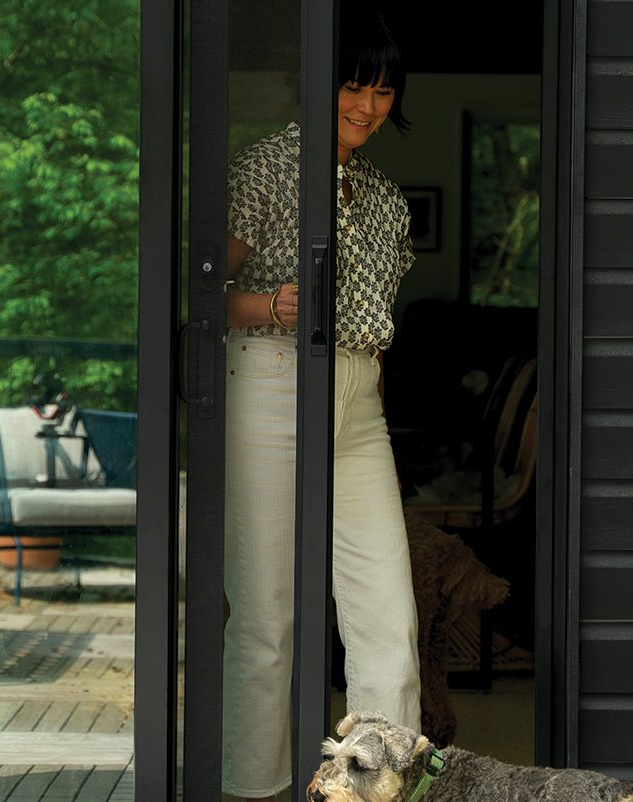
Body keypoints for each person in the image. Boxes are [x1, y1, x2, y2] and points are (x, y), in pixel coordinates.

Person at [221, 9, 421, 801]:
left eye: (381, 90)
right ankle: (249, 788)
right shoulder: (268, 168)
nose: (368, 105)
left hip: (358, 396)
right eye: (352, 84)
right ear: (317, 83)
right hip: (270, 377)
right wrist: (275, 303)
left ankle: (383, 788)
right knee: (267, 614)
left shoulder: (382, 194)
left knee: (385, 612)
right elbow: (203, 291)